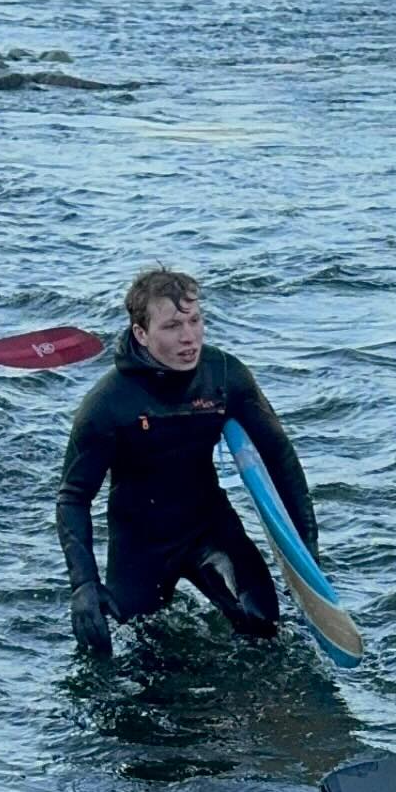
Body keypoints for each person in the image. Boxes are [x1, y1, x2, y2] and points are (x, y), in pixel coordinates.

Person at [55, 265, 316, 658]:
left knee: (265, 631)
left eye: (195, 321)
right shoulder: (107, 404)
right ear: (141, 334)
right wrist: (84, 585)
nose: (189, 336)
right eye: (173, 325)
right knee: (137, 660)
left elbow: (279, 458)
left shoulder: (224, 376)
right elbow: (73, 499)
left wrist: (307, 553)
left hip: (209, 526)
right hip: (140, 545)